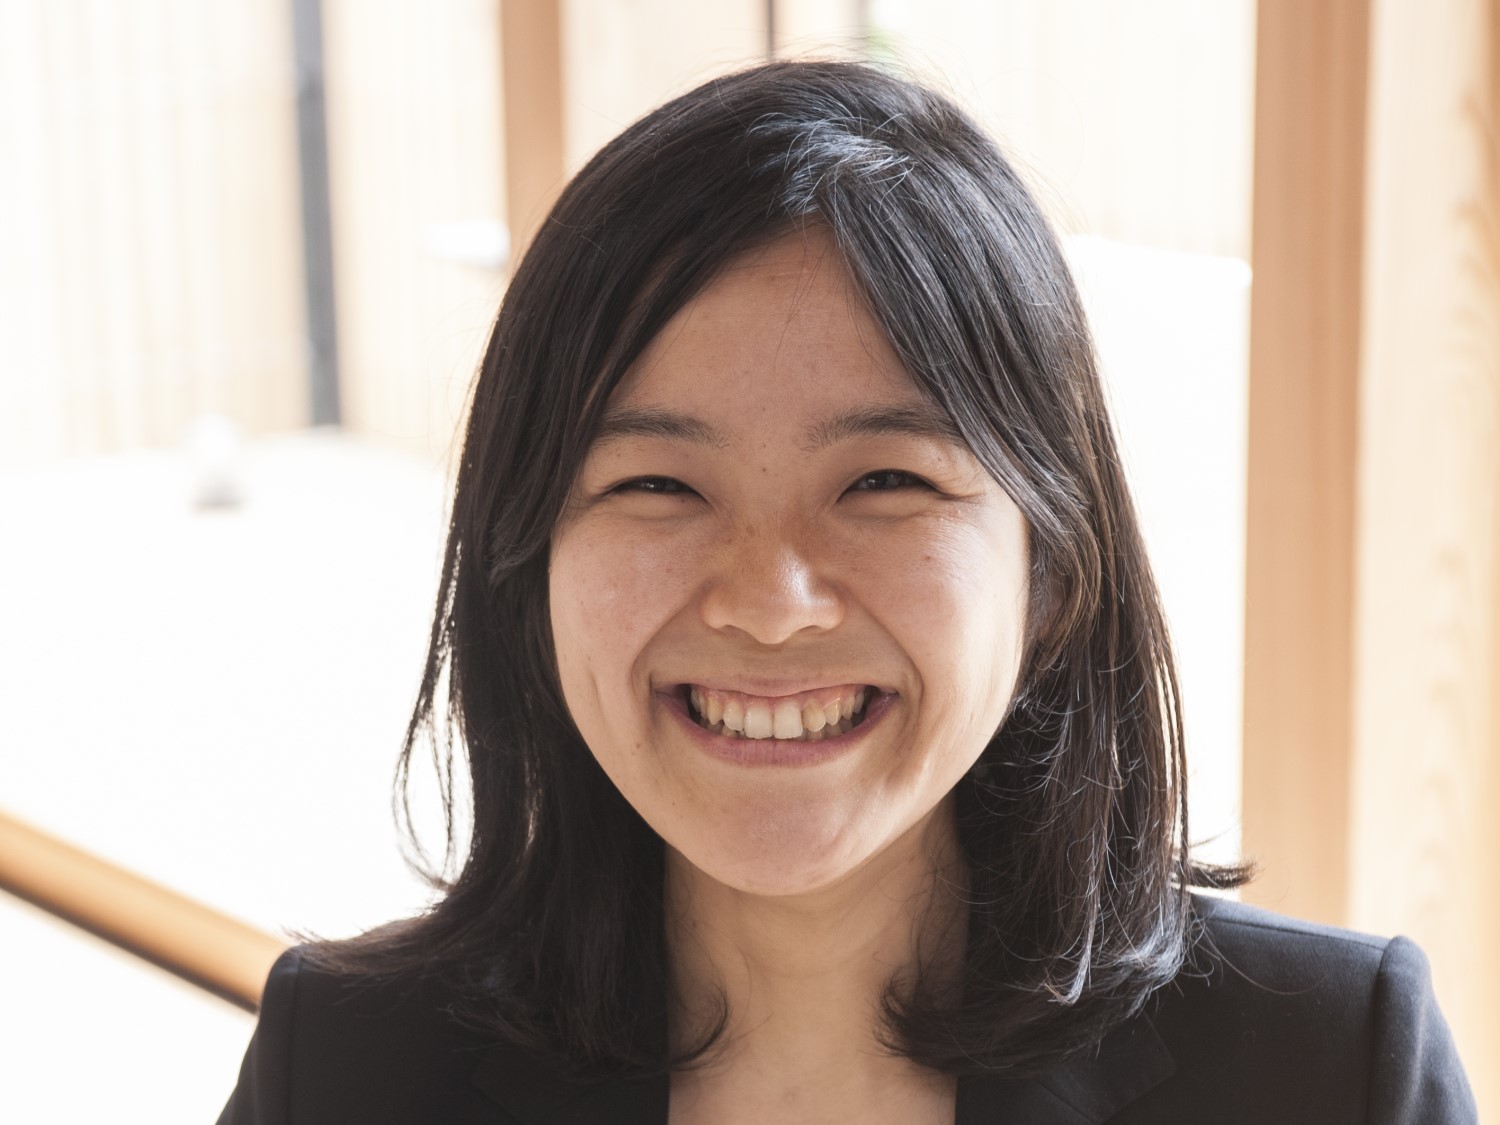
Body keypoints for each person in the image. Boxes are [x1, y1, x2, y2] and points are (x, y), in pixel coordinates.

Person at [218, 60, 1476, 1124]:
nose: (770, 603)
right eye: (658, 483)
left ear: (1050, 569)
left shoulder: (1331, 1066)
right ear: (526, 557)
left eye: (883, 481)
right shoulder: (346, 1068)